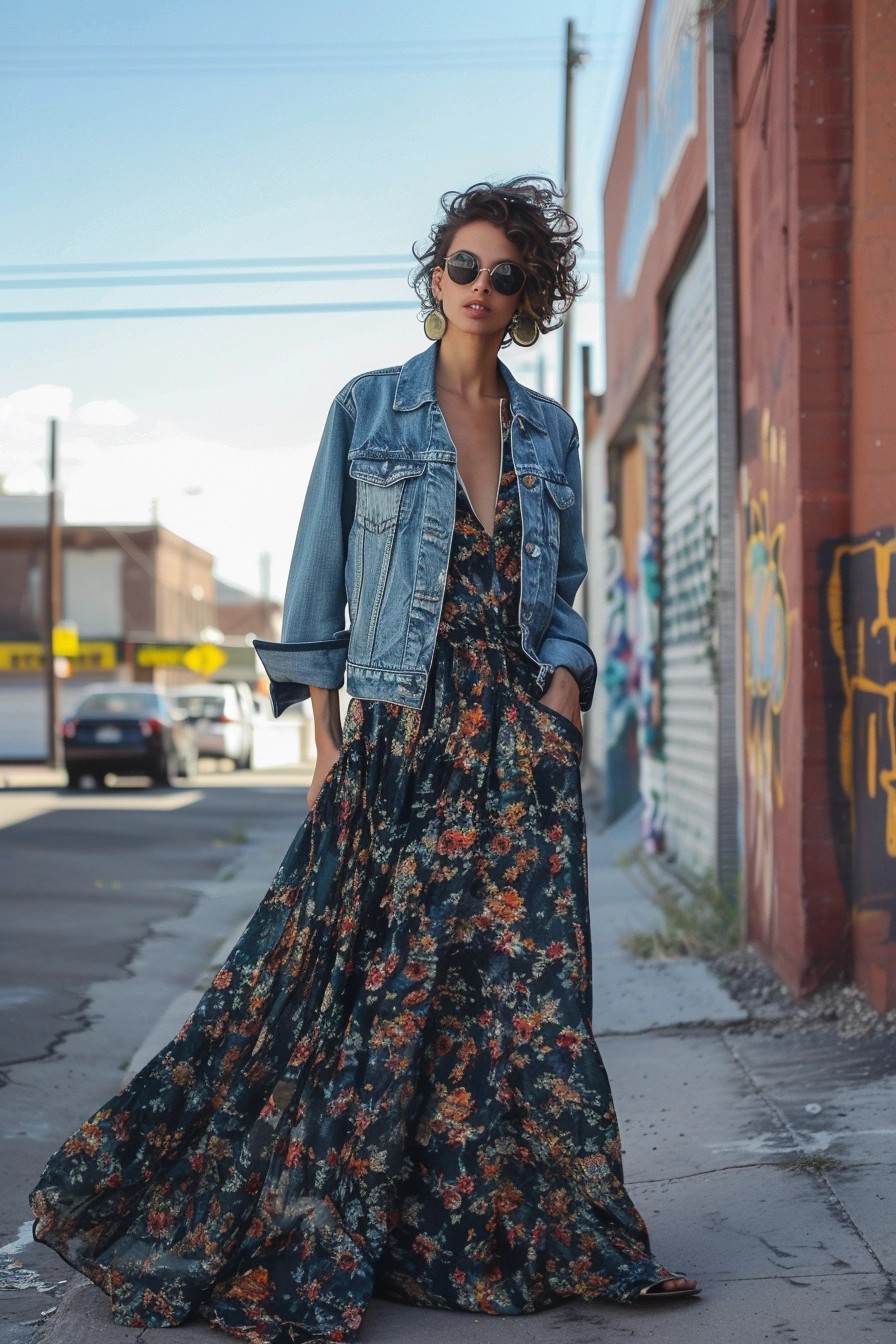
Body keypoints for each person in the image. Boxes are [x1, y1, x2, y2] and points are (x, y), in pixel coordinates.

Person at [30, 178, 698, 1343]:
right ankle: (324, 1227)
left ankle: (564, 1237)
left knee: (527, 1004)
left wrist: (561, 686)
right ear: (431, 277)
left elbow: (567, 596)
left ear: (527, 296)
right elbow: (316, 583)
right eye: (463, 265)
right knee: (360, 999)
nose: (482, 288)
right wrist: (326, 740)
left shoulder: (549, 430)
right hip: (399, 741)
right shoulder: (369, 410)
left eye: (505, 274)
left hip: (516, 754)